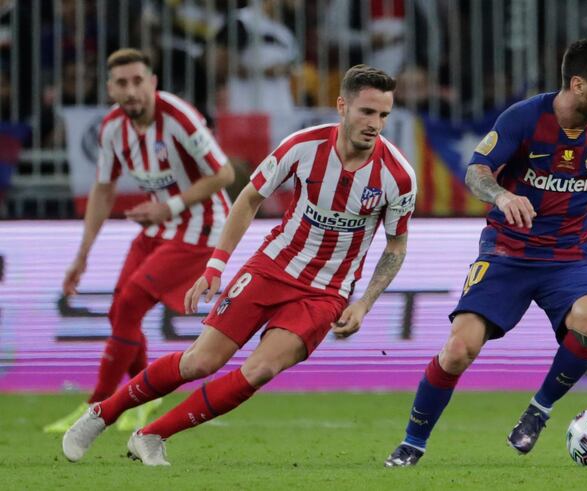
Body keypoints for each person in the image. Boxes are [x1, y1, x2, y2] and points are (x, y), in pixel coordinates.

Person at [62, 64, 417, 466]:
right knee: (200, 361)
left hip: (326, 292)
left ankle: (153, 435)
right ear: (342, 106)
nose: (375, 124)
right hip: (272, 268)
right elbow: (248, 198)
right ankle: (102, 413)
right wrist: (216, 265)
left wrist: (364, 303)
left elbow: (396, 246)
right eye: (367, 112)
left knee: (261, 370)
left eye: (384, 115)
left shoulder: (398, 177)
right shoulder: (302, 147)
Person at [385, 39, 587, 467]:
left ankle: (540, 410)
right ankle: (412, 443)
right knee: (459, 350)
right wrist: (500, 196)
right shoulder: (524, 118)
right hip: (507, 252)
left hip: (570, 257)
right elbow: (476, 170)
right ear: (578, 83)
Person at [44, 48, 234, 434]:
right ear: (110, 89)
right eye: (121, 83)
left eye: (138, 81)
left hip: (203, 225)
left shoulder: (179, 118)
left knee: (130, 301)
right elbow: (103, 189)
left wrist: (172, 206)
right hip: (160, 226)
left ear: (153, 83)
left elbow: (225, 174)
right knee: (120, 311)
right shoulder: (113, 127)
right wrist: (82, 255)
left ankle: (95, 408)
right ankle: (146, 397)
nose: (131, 91)